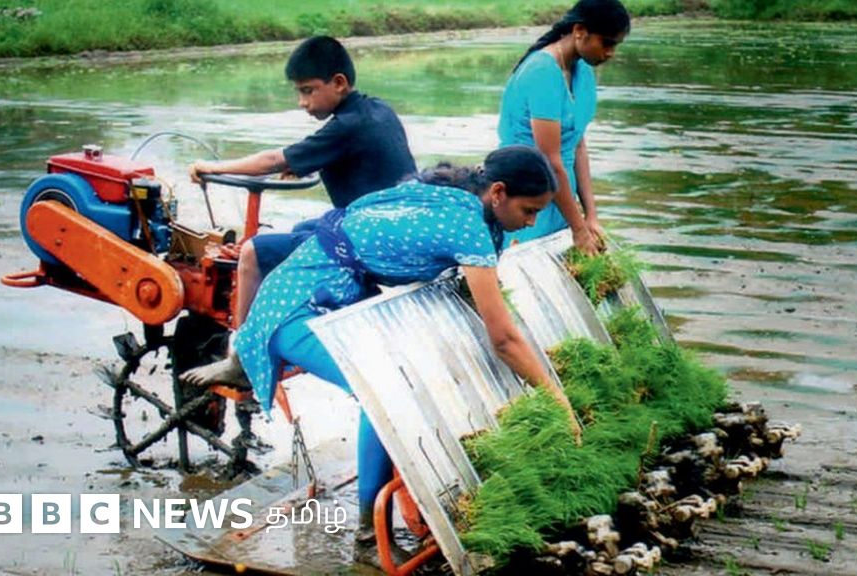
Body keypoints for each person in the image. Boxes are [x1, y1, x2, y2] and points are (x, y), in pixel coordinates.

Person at [182, 145, 581, 566]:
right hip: (295, 305)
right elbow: (502, 339)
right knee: (382, 397)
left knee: (393, 385)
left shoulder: (466, 203)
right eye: (530, 210)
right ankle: (369, 533)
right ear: (498, 192)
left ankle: (242, 361)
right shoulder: (467, 226)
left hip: (337, 294)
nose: (532, 222)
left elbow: (490, 311)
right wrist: (557, 397)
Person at [189, 35, 416, 327]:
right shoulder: (378, 110)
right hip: (391, 227)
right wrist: (301, 166)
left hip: (368, 237)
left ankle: (240, 347)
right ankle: (287, 311)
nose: (302, 102)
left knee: (252, 251)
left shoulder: (345, 127)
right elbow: (349, 158)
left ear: (339, 83)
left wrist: (211, 167)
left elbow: (272, 161)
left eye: (308, 91)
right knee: (301, 228)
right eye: (299, 92)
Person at [498, 0, 631, 255]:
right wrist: (578, 229)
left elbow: (578, 144)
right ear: (579, 31)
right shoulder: (542, 72)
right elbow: (549, 160)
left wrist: (590, 216)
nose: (611, 52)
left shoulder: (582, 71)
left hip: (561, 197)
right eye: (607, 43)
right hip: (527, 198)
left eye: (616, 45)